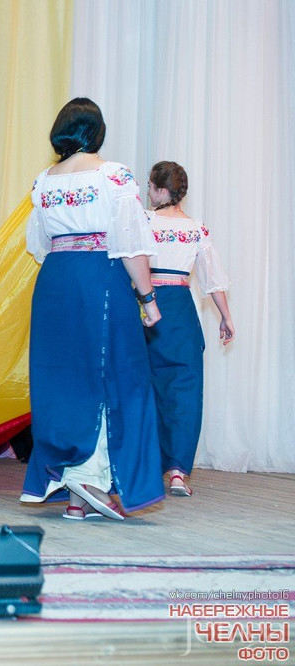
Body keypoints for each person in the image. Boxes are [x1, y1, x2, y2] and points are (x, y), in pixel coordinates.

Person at [20, 98, 164, 521]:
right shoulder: (112, 175)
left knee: (64, 380)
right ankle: (92, 480)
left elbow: (38, 245)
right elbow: (130, 243)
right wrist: (148, 298)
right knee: (115, 376)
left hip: (55, 280)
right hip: (99, 276)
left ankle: (76, 497)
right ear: (97, 132)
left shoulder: (44, 181)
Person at [144, 161, 234, 497]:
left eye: (150, 186)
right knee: (184, 388)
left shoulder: (143, 220)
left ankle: (144, 468)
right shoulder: (196, 229)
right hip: (181, 308)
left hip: (147, 304)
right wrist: (226, 317)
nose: (147, 192)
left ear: (161, 190)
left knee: (145, 386)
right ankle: (178, 471)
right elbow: (213, 279)